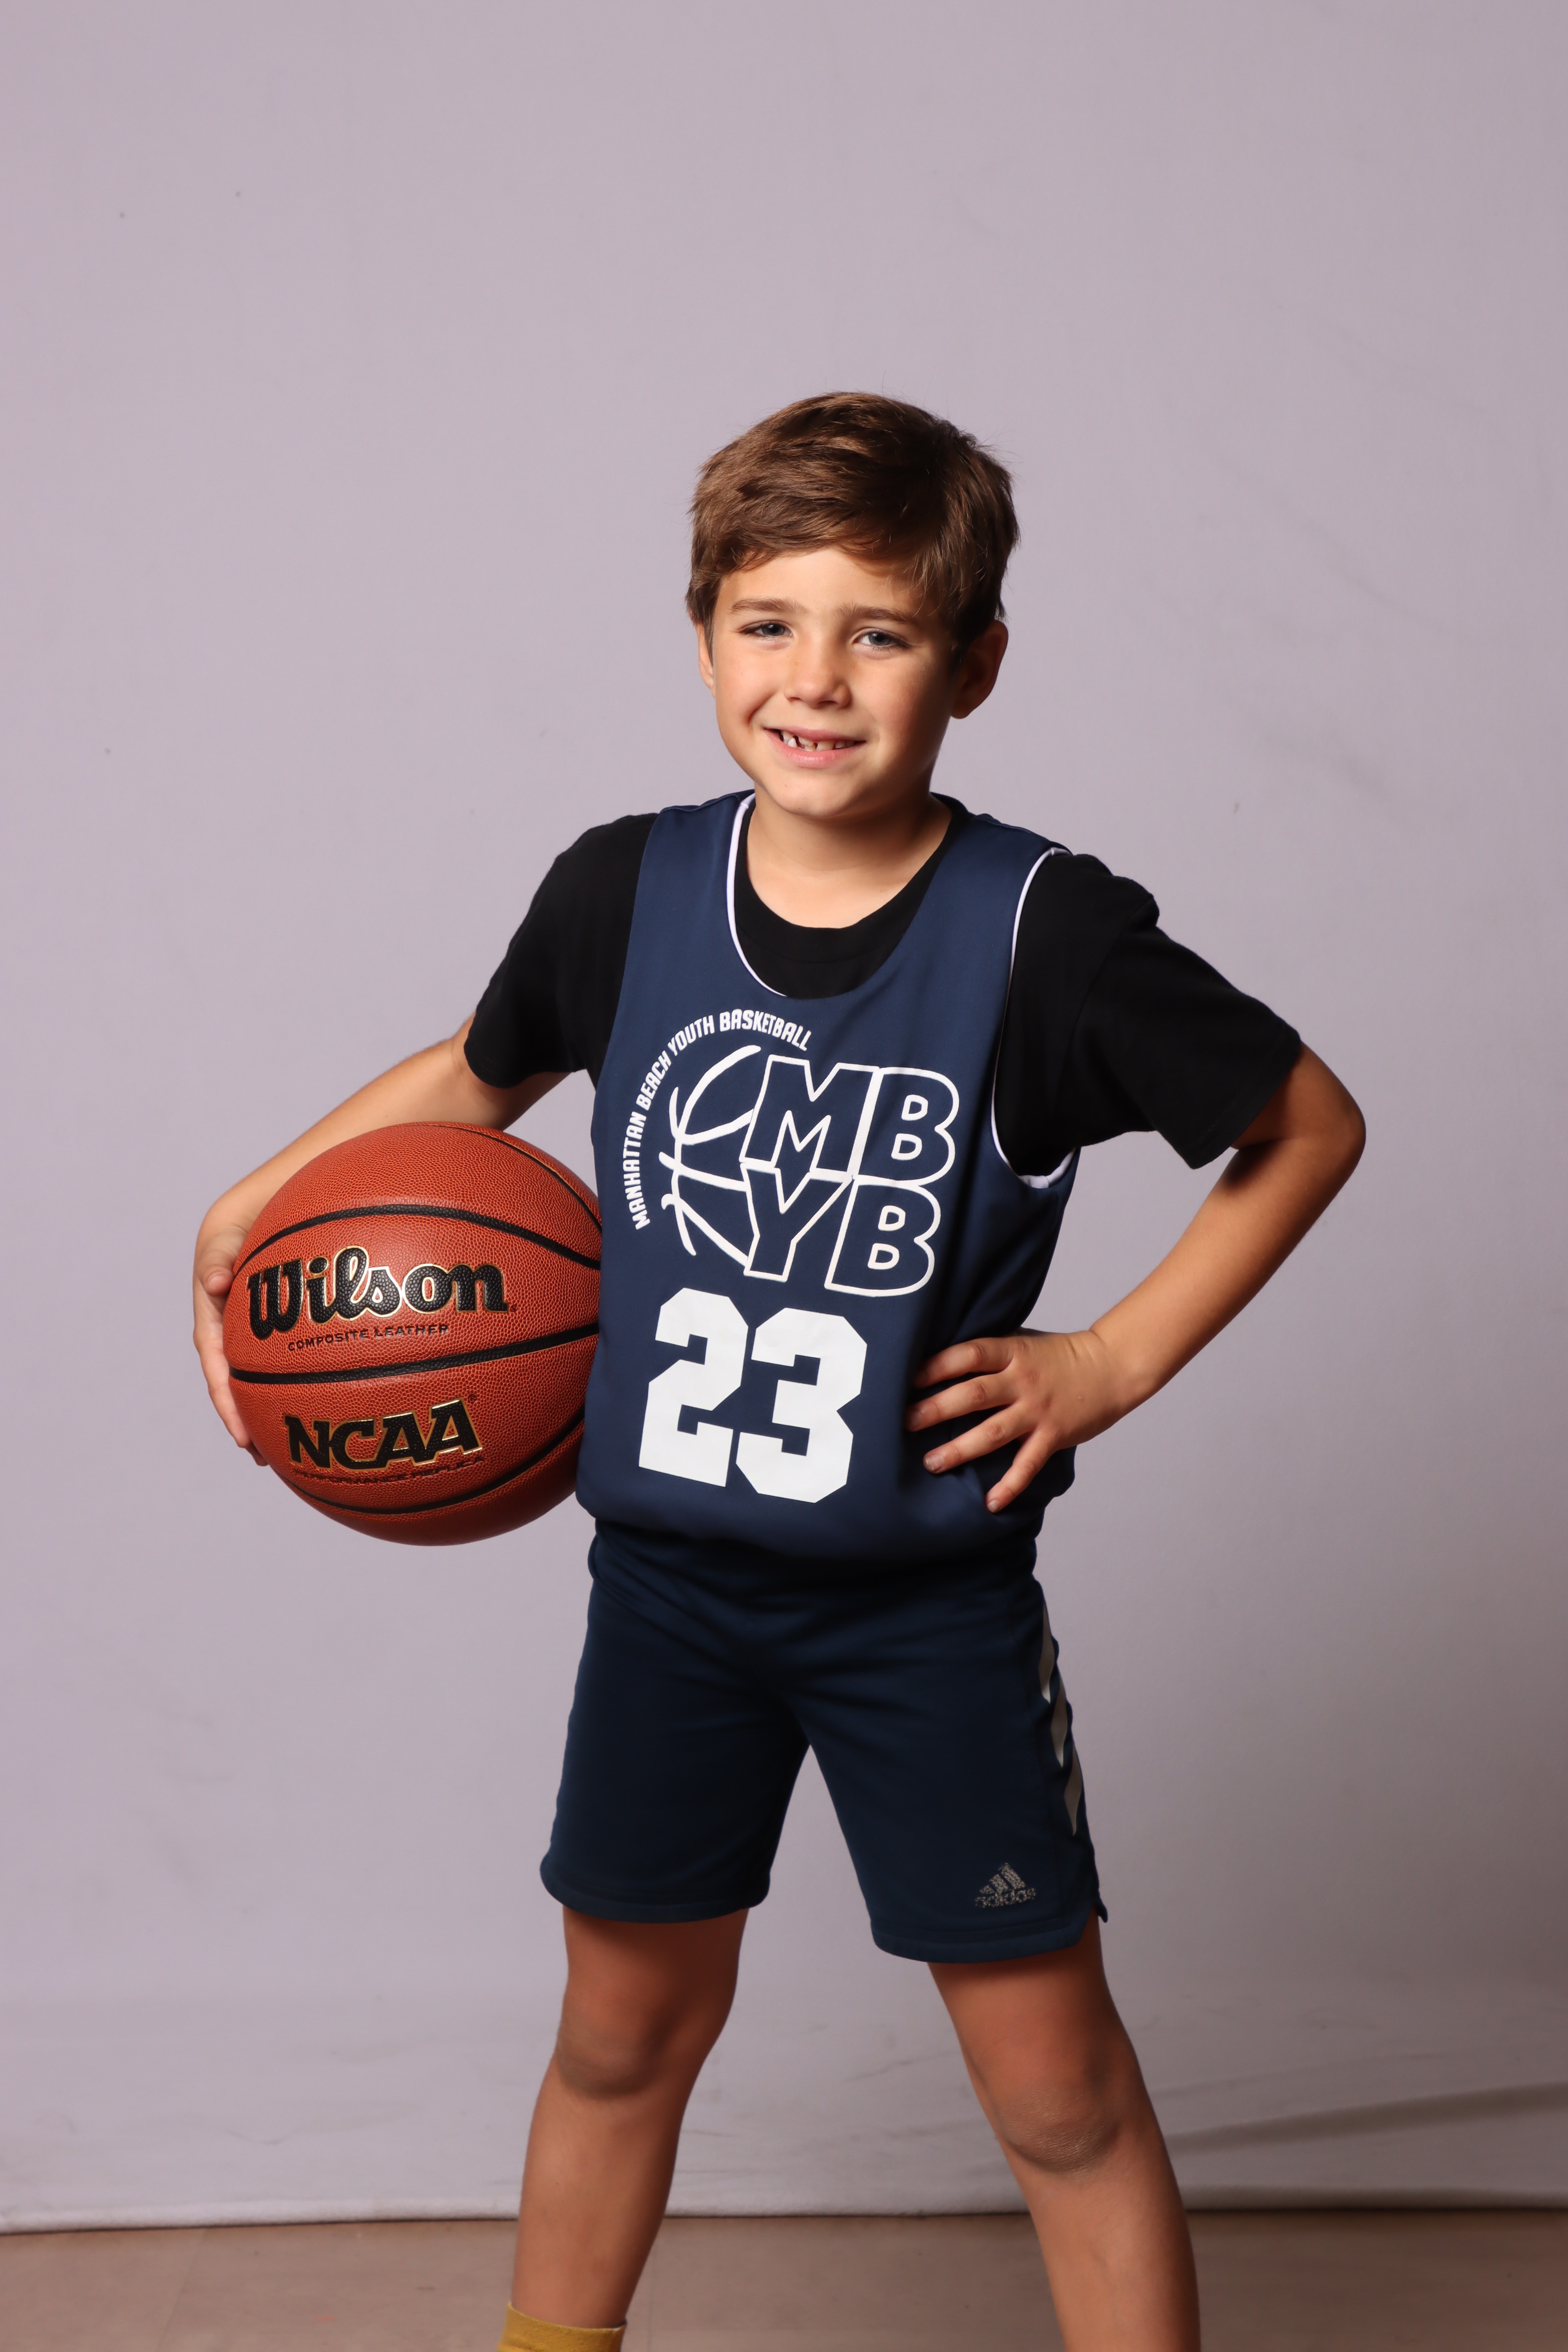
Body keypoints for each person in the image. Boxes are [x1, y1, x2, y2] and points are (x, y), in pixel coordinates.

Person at [193, 392, 1365, 2352]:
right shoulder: (623, 892)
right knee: (617, 2041)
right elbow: (476, 1080)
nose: (812, 678)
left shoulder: (1041, 936)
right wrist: (262, 1197)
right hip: (669, 1596)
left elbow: (1304, 1123)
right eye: (767, 622)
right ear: (702, 635)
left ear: (973, 663)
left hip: (924, 1609)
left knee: (1056, 2095)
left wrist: (1107, 1360)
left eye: (877, 632)